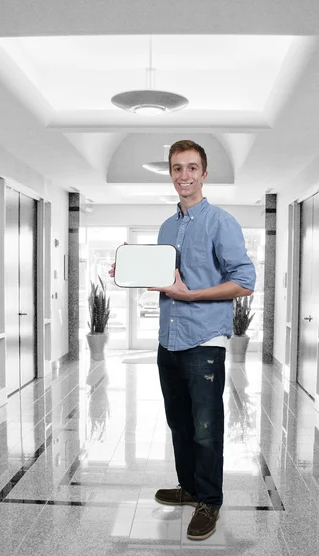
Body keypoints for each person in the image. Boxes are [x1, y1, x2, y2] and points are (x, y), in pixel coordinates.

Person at [109, 139, 256, 541]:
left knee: (206, 428)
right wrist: (129, 268)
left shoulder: (220, 222)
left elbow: (244, 282)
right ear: (171, 173)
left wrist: (192, 295)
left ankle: (210, 500)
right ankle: (190, 487)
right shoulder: (167, 227)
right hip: (168, 341)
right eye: (177, 168)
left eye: (192, 168)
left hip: (204, 340)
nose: (184, 176)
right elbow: (164, 279)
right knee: (179, 423)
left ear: (204, 174)